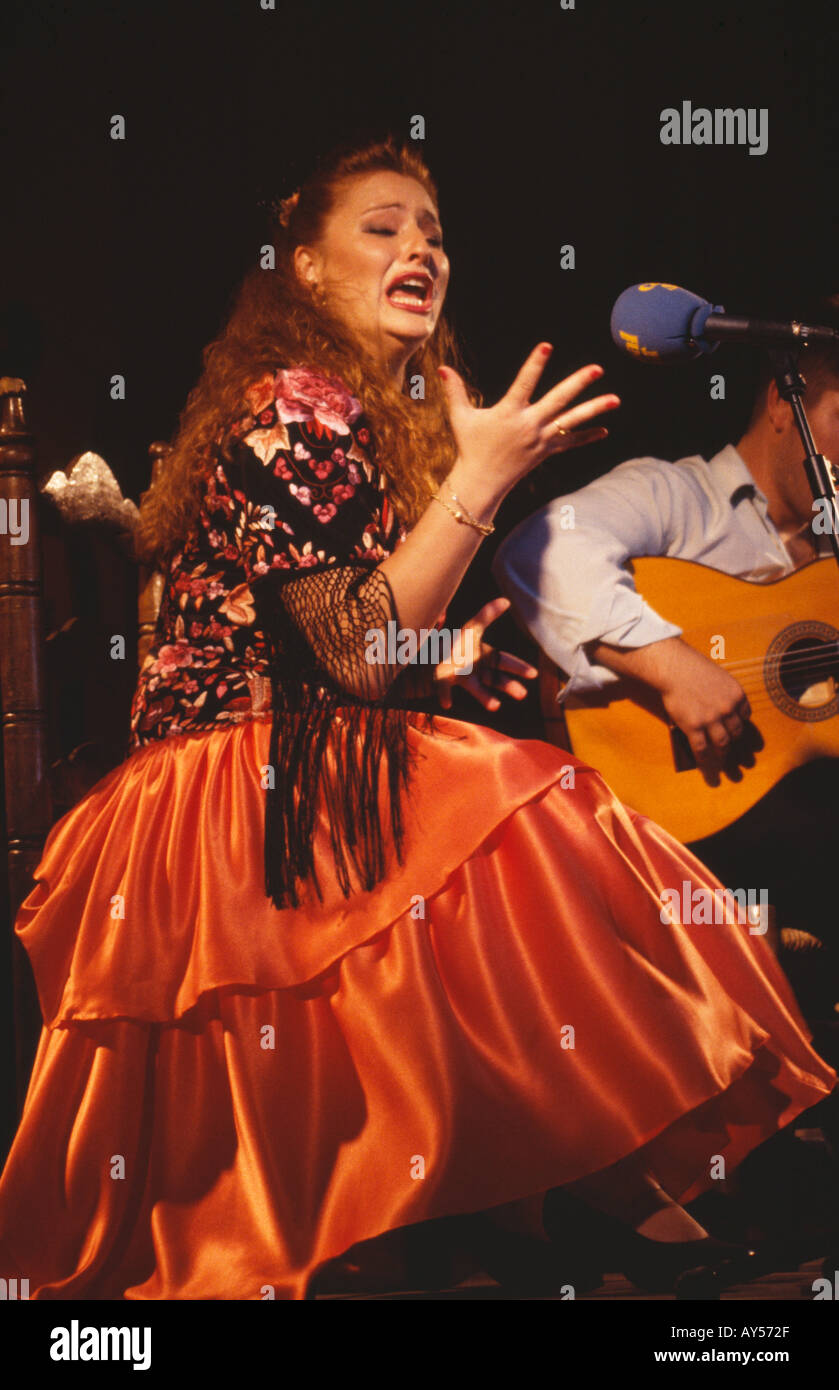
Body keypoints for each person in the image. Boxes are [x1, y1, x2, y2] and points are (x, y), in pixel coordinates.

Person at [0, 138, 835, 1302]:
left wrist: (440, 664)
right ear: (301, 265)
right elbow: (343, 651)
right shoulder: (293, 402)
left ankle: (548, 1195)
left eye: (433, 232)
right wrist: (479, 480)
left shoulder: (357, 416)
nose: (420, 250)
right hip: (218, 795)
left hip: (303, 761)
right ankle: (564, 1197)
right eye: (383, 227)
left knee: (498, 792)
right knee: (523, 815)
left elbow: (355, 643)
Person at [492, 325, 839, 1018]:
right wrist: (674, 666)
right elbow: (540, 547)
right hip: (675, 846)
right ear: (782, 403)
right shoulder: (678, 496)